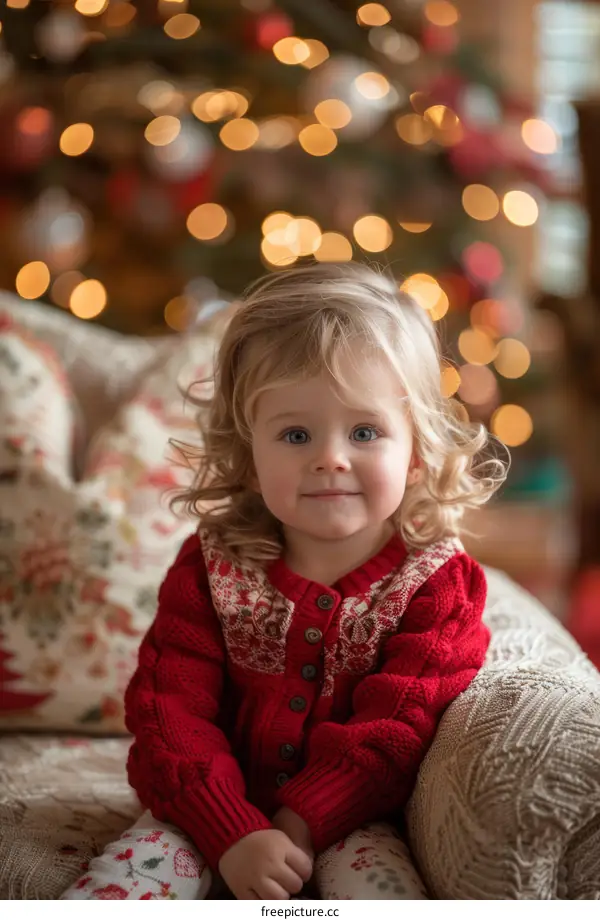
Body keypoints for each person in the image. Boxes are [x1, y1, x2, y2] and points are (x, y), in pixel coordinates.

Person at [61, 261, 508, 901]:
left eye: (364, 431)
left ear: (416, 452)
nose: (330, 456)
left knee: (380, 893)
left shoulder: (436, 583)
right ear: (248, 458)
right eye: (295, 433)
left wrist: (298, 825)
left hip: (355, 819)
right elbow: (168, 708)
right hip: (203, 810)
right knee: (126, 884)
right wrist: (233, 832)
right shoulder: (212, 566)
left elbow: (397, 727)